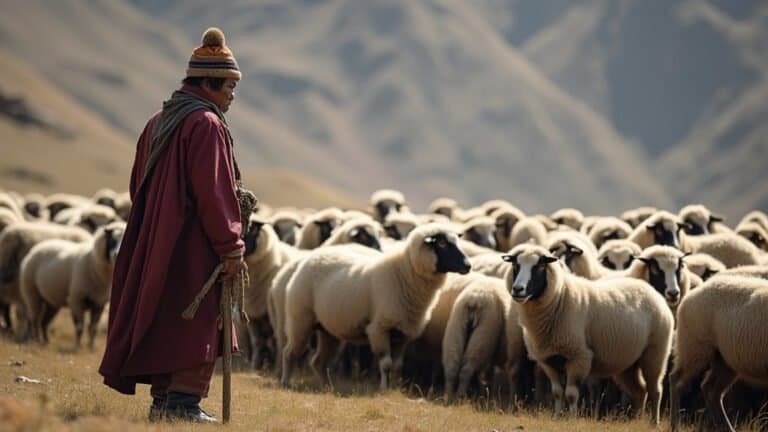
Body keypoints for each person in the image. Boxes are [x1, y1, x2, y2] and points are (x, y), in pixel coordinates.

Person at [99, 27, 246, 423]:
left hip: (158, 235)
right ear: (210, 82)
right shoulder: (206, 124)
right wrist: (231, 245)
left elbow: (137, 185)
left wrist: (158, 224)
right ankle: (182, 404)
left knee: (166, 313)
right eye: (230, 85)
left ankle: (164, 402)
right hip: (193, 243)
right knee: (195, 317)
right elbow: (214, 192)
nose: (233, 94)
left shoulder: (159, 120)